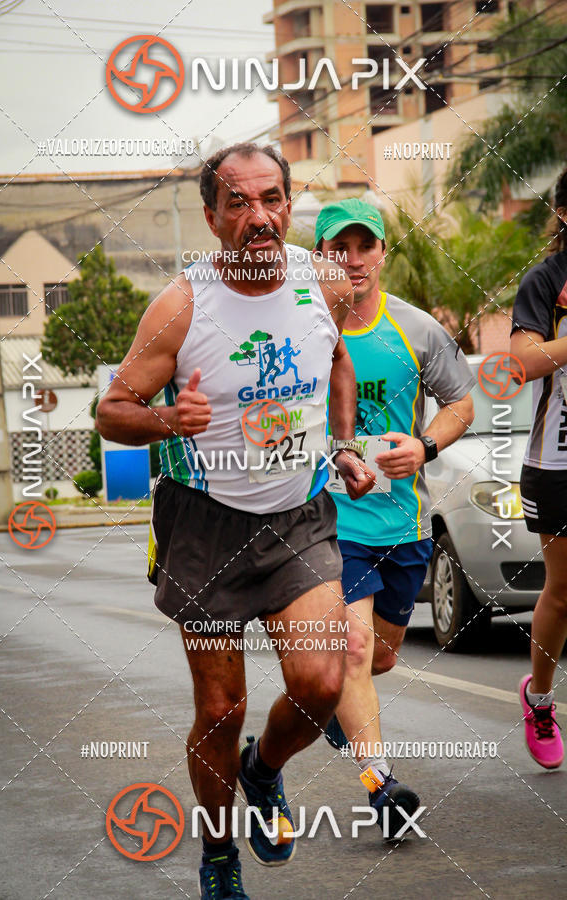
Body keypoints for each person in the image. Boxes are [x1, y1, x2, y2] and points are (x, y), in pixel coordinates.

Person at [96, 143, 374, 899]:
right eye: (240, 204)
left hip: (298, 517)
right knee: (221, 710)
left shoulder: (322, 281)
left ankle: (265, 771)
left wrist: (343, 443)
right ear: (214, 217)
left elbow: (338, 361)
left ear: (289, 202)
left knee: (320, 684)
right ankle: (218, 854)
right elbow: (110, 411)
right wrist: (164, 419)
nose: (260, 217)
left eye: (272, 199)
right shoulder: (183, 305)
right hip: (205, 525)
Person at [314, 198, 475, 837]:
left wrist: (425, 445)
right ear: (322, 255)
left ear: (382, 253)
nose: (352, 260)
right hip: (329, 524)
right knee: (353, 650)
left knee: (377, 660)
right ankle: (381, 787)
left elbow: (461, 403)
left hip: (403, 525)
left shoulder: (416, 328)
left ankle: (332, 707)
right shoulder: (301, 329)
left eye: (363, 246)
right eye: (338, 248)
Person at [510, 165, 567, 770]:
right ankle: (542, 697)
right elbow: (522, 361)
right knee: (564, 590)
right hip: (558, 460)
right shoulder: (547, 279)